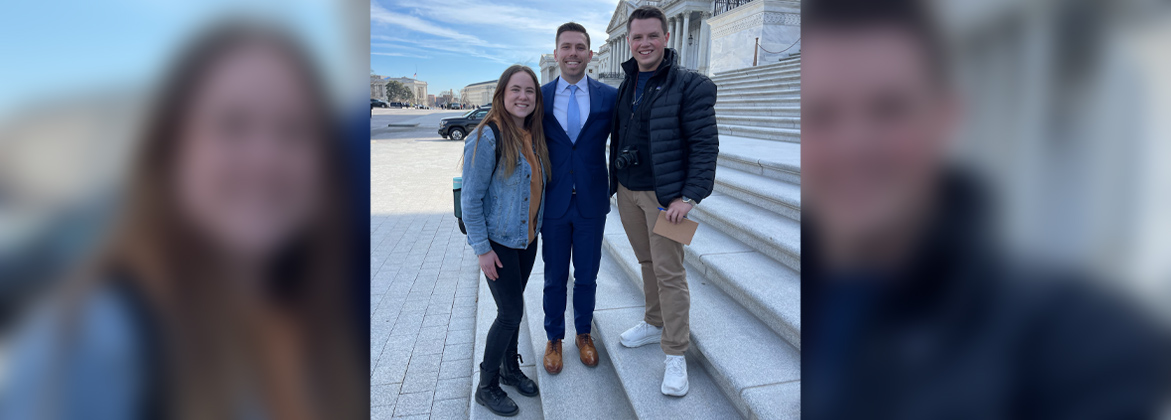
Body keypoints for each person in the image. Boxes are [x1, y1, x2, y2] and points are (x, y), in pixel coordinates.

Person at [802, 0, 1167, 418]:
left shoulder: (1086, 342)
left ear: (946, 119)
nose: (853, 148)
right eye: (822, 115)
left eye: (888, 109)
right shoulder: (817, 283)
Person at [1, 22, 364, 420]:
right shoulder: (91, 343)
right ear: (172, 148)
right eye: (233, 125)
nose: (265, 159)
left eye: (293, 130)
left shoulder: (311, 311)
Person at [610, 5, 719, 397]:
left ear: (666, 37)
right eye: (637, 37)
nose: (644, 43)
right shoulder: (627, 83)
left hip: (666, 198)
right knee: (646, 262)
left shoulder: (691, 84)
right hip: (627, 191)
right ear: (629, 40)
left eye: (651, 35)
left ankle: (675, 353)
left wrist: (690, 196)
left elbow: (705, 146)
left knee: (670, 272)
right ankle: (654, 320)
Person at [461, 64, 550, 417]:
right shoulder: (486, 136)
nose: (523, 97)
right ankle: (487, 386)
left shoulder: (532, 135)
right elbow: (470, 199)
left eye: (530, 91)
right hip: (498, 242)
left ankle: (511, 370)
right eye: (516, 89)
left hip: (526, 240)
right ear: (502, 94)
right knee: (511, 312)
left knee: (513, 311)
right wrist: (482, 249)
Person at [538, 22, 619, 375]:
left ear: (590, 53)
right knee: (555, 276)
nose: (573, 53)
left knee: (587, 275)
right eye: (566, 47)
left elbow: (625, 144)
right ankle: (554, 337)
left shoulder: (608, 97)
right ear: (556, 53)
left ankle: (583, 334)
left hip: (590, 204)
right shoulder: (538, 97)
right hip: (553, 203)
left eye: (580, 47)